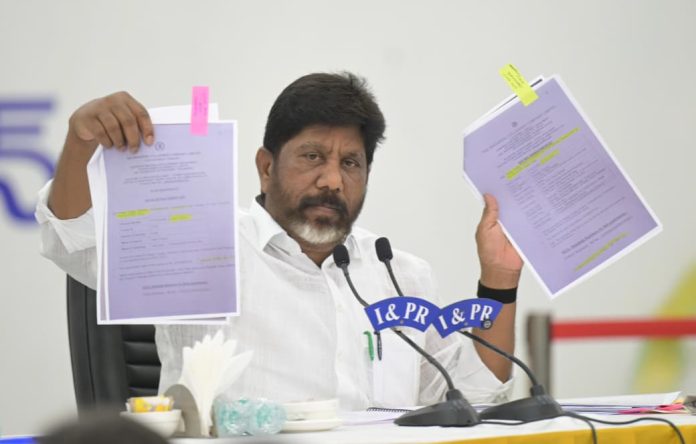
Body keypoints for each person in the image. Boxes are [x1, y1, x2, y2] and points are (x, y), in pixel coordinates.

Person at [37, 72, 522, 409]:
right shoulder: (203, 245)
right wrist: (81, 144)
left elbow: (475, 394)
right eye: (313, 157)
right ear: (266, 167)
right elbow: (73, 240)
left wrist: (498, 280)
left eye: (350, 163)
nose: (332, 180)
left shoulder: (398, 273)